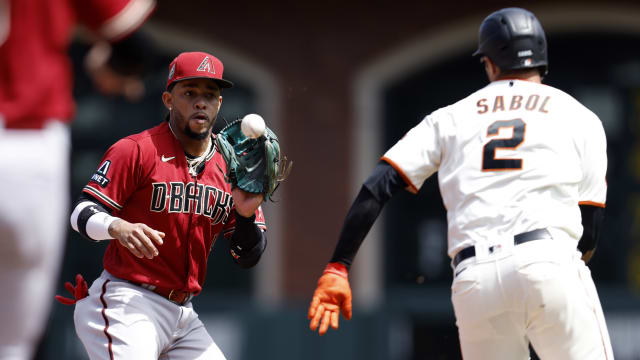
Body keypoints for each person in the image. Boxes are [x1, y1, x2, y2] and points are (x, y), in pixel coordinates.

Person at [308, 7, 614, 360]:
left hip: (476, 278)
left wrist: (339, 265)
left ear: (489, 63)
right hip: (548, 259)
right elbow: (589, 228)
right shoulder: (579, 114)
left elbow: (379, 184)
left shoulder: (451, 116)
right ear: (541, 61)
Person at [64, 51, 268, 360]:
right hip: (128, 301)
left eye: (210, 95)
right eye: (189, 93)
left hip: (183, 315)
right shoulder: (136, 150)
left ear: (220, 104)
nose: (201, 102)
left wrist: (245, 214)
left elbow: (247, 256)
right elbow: (81, 212)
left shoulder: (231, 169)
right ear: (168, 99)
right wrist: (116, 226)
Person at [0, 0, 155, 359]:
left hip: (31, 148)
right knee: (11, 346)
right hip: (29, 149)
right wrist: (115, 68)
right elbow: (132, 44)